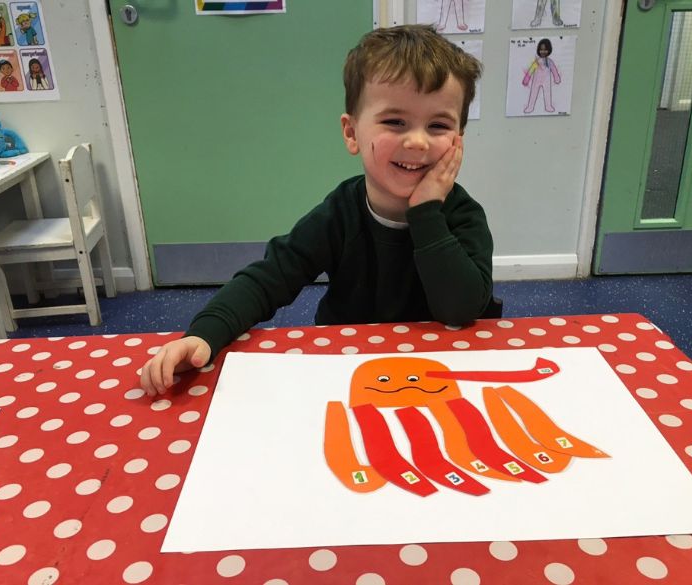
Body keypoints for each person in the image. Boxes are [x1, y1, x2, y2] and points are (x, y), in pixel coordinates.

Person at [140, 24, 498, 397]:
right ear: (351, 133)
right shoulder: (339, 213)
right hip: (344, 368)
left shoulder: (464, 216)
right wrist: (203, 334)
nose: (418, 141)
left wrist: (426, 212)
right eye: (395, 122)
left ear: (458, 140)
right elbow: (269, 278)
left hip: (437, 373)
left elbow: (460, 309)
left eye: (438, 125)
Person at [522, 38, 561, 114]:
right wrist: (526, 80)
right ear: (538, 50)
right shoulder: (537, 62)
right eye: (541, 50)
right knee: (533, 93)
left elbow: (554, 70)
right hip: (536, 80)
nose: (543, 51)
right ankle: (530, 107)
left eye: (545, 50)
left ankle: (548, 106)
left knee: (547, 93)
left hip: (546, 81)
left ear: (549, 50)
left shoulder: (549, 61)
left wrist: (557, 79)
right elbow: (531, 70)